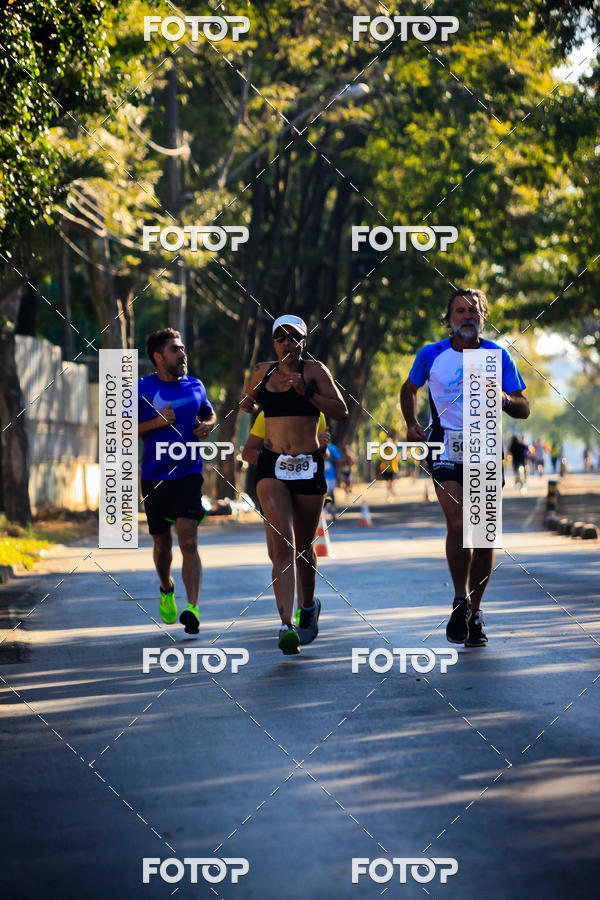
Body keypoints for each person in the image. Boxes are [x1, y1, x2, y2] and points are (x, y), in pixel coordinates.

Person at [400, 288, 530, 648]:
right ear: (450, 319)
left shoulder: (497, 355)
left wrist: (503, 398)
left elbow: (523, 406)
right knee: (459, 523)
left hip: (486, 446)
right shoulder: (432, 354)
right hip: (445, 446)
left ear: (483, 316)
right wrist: (412, 424)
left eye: (474, 311)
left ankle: (476, 610)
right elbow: (408, 389)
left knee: (483, 535)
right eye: (460, 311)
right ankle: (460, 600)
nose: (467, 316)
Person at [240, 314, 348, 654]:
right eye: (281, 337)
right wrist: (247, 404)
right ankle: (285, 625)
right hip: (272, 465)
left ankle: (308, 607)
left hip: (308, 465)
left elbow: (341, 410)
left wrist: (308, 394)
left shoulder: (315, 371)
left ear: (304, 341)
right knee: (283, 544)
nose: (288, 343)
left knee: (304, 547)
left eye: (294, 337)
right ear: (274, 342)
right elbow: (250, 403)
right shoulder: (262, 371)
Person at [138, 328, 216, 634]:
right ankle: (166, 586)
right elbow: (118, 430)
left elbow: (208, 415)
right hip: (154, 476)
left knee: (189, 539)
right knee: (162, 542)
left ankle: (193, 607)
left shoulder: (196, 385)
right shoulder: (141, 388)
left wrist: (207, 427)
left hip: (188, 473)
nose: (182, 354)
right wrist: (157, 422)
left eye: (182, 348)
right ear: (158, 357)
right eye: (175, 349)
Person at [242, 410, 330, 623]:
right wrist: (275, 462)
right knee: (278, 553)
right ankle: (287, 620)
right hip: (274, 487)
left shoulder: (316, 413)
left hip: (305, 485)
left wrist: (320, 447)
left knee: (301, 551)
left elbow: (321, 454)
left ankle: (302, 610)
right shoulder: (268, 415)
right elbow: (248, 452)